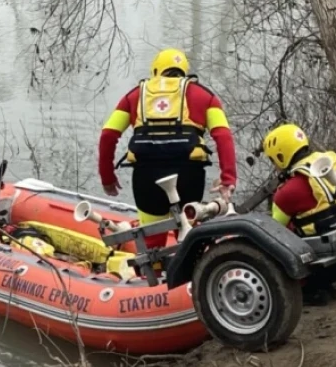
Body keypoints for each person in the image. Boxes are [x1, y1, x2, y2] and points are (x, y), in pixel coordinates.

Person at [98, 48, 238, 248]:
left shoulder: (135, 95)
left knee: (151, 242)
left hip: (147, 179)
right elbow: (223, 136)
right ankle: (192, 274)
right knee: (189, 238)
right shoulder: (204, 96)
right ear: (184, 71)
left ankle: (153, 273)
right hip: (189, 177)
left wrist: (107, 177)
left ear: (155, 71)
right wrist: (228, 179)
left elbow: (108, 135)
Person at [261, 123, 336, 237]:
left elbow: (275, 231)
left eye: (273, 160)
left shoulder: (286, 193)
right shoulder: (331, 159)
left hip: (322, 244)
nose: (274, 166)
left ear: (280, 157)